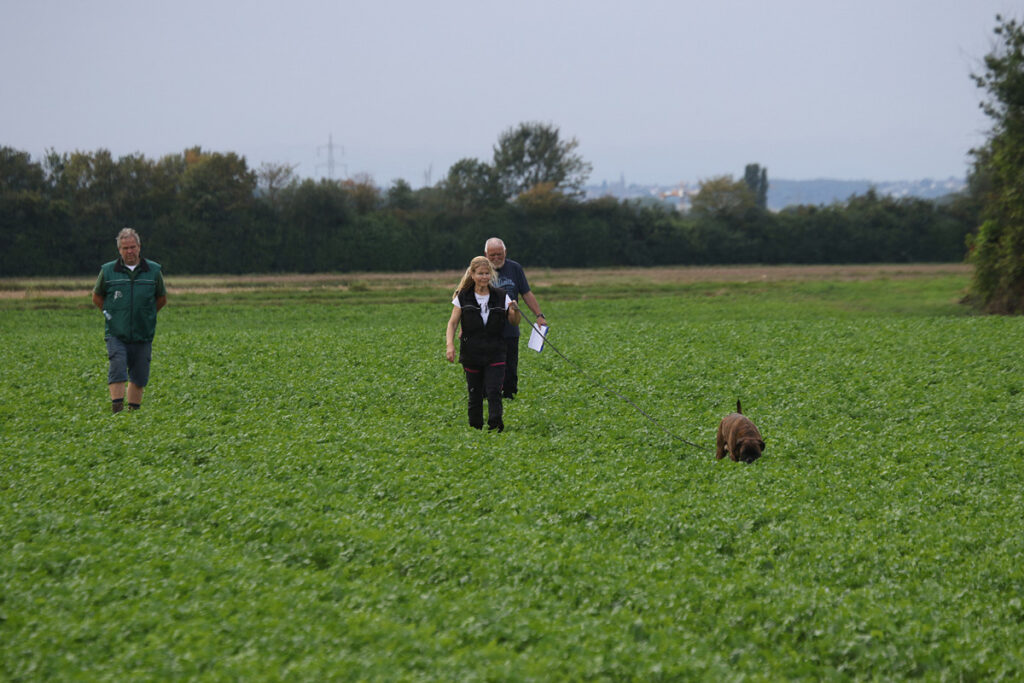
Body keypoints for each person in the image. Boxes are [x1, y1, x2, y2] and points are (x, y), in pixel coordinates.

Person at [92, 227, 167, 413]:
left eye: (133, 247)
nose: (130, 251)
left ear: (139, 247)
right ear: (119, 250)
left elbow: (161, 299)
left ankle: (133, 414)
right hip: (116, 333)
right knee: (117, 367)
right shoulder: (108, 271)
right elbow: (97, 297)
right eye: (125, 248)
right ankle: (117, 410)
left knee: (139, 375)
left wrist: (147, 316)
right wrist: (110, 316)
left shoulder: (153, 271)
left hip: (143, 333)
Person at [445, 256, 520, 431]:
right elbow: (452, 323)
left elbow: (514, 321)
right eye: (480, 274)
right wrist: (450, 345)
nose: (484, 277)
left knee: (494, 391)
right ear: (472, 274)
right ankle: (475, 428)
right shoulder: (463, 297)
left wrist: (514, 310)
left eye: (487, 273)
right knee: (475, 393)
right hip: (471, 352)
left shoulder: (501, 296)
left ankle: (495, 426)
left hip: (496, 350)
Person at [484, 237, 546, 400]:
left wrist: (539, 315)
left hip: (511, 323)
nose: (496, 258)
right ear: (486, 254)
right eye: (492, 255)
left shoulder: (515, 268)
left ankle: (509, 394)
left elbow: (526, 293)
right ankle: (487, 394)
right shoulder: (479, 270)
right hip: (486, 326)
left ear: (505, 252)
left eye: (499, 254)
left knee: (510, 363)